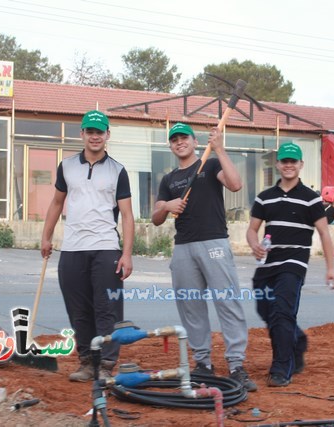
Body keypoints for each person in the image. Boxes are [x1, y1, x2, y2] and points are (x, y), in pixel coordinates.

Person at [151, 122, 257, 392]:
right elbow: (155, 218)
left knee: (227, 302)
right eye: (174, 139)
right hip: (184, 247)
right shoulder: (169, 179)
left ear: (194, 141)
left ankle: (236, 366)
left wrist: (220, 149)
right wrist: (167, 205)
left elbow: (235, 184)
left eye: (183, 137)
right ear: (171, 145)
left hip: (214, 242)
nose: (179, 142)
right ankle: (203, 364)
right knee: (191, 306)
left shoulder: (210, 165)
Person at [41, 110, 134, 382]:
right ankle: (86, 363)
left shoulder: (118, 170)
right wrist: (46, 237)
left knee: (107, 309)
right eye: (90, 131)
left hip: (106, 246)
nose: (95, 136)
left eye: (100, 132)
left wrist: (126, 254)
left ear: (107, 135)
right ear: (81, 134)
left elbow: (127, 215)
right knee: (78, 309)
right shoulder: (67, 166)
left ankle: (105, 365)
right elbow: (57, 203)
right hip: (72, 248)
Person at [246, 142, 334, 387]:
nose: (288, 165)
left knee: (282, 313)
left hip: (293, 265)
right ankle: (297, 340)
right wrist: (254, 244)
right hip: (267, 266)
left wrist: (331, 268)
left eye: (293, 161)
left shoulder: (311, 200)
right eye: (284, 161)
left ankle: (281, 369)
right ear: (277, 164)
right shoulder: (265, 198)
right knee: (266, 312)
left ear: (301, 165)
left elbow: (324, 234)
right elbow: (252, 229)